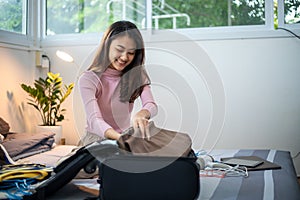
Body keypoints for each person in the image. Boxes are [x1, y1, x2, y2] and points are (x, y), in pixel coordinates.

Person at [78, 20, 158, 146]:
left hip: (125, 138)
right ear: (107, 45)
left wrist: (142, 114)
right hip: (96, 140)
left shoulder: (137, 75)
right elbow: (95, 120)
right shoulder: (89, 79)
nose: (125, 57)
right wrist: (119, 138)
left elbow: (151, 104)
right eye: (120, 49)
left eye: (131, 53)